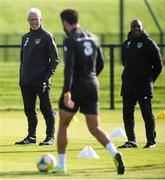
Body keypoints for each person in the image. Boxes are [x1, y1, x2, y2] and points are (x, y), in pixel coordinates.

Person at [51, 9, 125, 175]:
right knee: (95, 127)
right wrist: (90, 78)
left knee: (63, 124)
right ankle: (115, 152)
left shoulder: (70, 40)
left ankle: (61, 166)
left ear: (64, 22)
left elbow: (69, 67)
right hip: (93, 84)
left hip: (76, 86)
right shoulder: (93, 37)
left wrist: (67, 92)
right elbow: (101, 64)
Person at [15, 8, 59, 146]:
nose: (34, 21)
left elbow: (55, 60)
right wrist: (22, 77)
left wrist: (46, 78)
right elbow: (23, 60)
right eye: (31, 19)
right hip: (26, 81)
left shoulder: (47, 36)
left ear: (41, 19)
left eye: (36, 19)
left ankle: (50, 137)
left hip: (41, 81)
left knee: (46, 108)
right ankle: (31, 137)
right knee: (29, 109)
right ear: (28, 20)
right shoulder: (25, 37)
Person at [118, 20, 163, 149]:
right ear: (130, 28)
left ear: (142, 28)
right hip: (128, 85)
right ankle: (131, 141)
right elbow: (124, 62)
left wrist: (149, 79)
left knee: (146, 113)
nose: (136, 28)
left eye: (138, 26)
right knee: (127, 114)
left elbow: (158, 66)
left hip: (143, 85)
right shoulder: (126, 44)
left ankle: (151, 141)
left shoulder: (148, 43)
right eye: (133, 26)